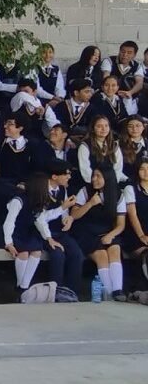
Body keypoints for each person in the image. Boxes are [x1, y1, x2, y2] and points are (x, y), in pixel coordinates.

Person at [70, 167, 127, 301]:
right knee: (102, 255)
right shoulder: (85, 191)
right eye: (93, 176)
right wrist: (90, 203)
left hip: (107, 231)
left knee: (115, 249)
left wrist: (110, 235)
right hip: (87, 232)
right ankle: (109, 294)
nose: (94, 179)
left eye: (98, 176)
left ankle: (117, 291)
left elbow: (121, 224)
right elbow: (74, 215)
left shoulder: (118, 195)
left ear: (107, 178)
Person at [32, 160, 84, 296]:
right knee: (58, 255)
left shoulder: (62, 189)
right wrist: (49, 238)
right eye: (66, 174)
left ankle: (72, 292)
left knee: (76, 253)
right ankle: (55, 292)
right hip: (42, 233)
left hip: (58, 231)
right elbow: (39, 218)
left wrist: (67, 220)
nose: (69, 177)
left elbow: (64, 211)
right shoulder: (40, 189)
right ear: (54, 176)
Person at [77, 114, 125, 188]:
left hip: (111, 184)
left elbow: (118, 167)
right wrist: (97, 183)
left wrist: (112, 183)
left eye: (106, 126)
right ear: (93, 129)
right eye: (99, 126)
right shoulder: (85, 146)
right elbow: (85, 169)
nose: (103, 129)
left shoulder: (114, 145)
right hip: (92, 184)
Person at [122, 159, 148, 293]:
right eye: (142, 169)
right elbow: (132, 215)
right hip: (135, 234)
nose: (146, 172)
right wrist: (142, 235)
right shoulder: (131, 189)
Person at [101, 40, 143, 116]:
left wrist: (130, 92)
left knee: (130, 116)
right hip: (110, 94)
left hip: (128, 96)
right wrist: (113, 92)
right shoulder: (109, 61)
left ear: (134, 55)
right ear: (119, 51)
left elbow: (140, 83)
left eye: (129, 53)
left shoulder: (137, 66)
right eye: (123, 51)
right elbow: (106, 78)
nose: (125, 55)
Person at [52, 78, 96, 142]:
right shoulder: (61, 106)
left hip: (84, 140)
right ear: (76, 93)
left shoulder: (92, 108)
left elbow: (91, 127)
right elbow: (57, 125)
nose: (90, 94)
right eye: (86, 92)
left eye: (90, 91)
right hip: (63, 139)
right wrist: (68, 137)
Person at [33, 43, 65, 108]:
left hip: (55, 99)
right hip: (39, 99)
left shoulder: (56, 69)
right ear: (39, 54)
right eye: (44, 52)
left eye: (50, 52)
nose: (47, 55)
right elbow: (37, 90)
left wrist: (60, 97)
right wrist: (52, 97)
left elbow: (59, 87)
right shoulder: (34, 68)